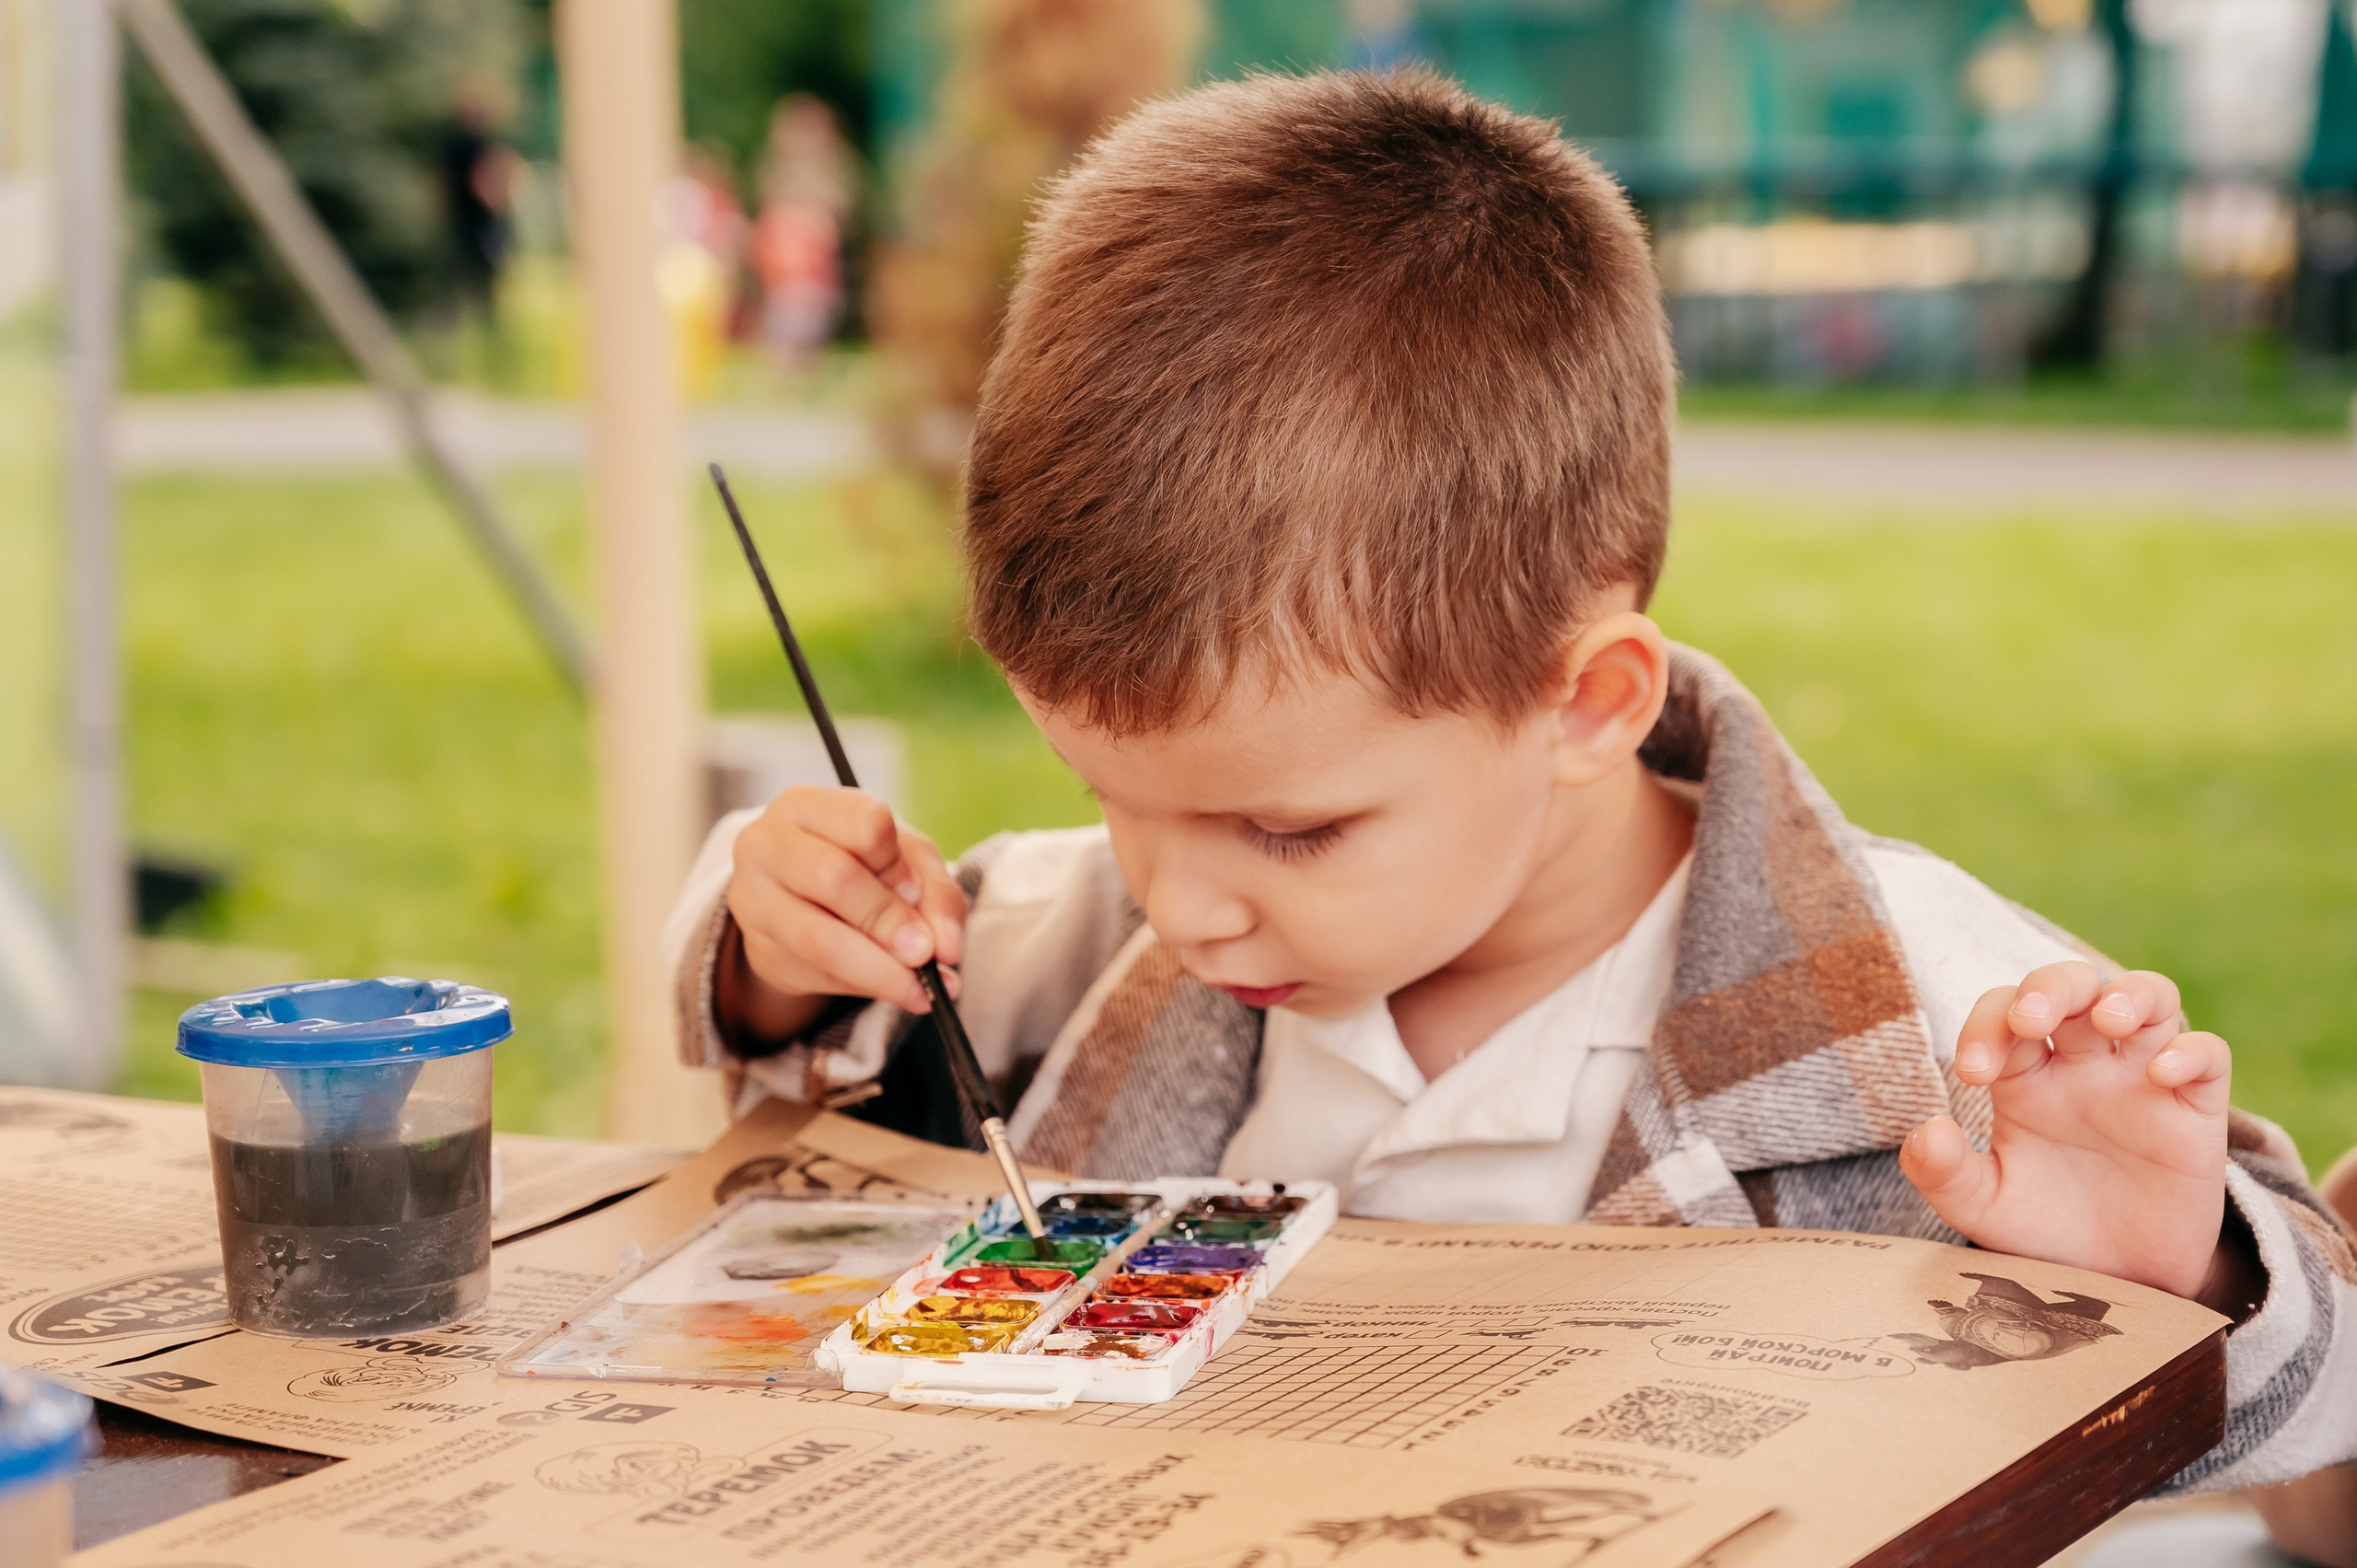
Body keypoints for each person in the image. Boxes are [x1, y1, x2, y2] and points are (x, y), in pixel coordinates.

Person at [662, 71, 2354, 1489]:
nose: (1175, 899)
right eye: (1111, 794)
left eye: (1291, 826)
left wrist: (2179, 1269)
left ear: (1586, 706)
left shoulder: (1938, 1015)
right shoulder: (1089, 929)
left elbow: (2325, 1399)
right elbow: (816, 1047)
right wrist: (774, 942)